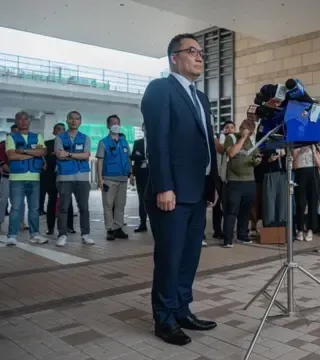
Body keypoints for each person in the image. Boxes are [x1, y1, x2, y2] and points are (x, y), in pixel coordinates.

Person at [141, 33, 219, 346]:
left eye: (201, 52)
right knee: (170, 258)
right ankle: (164, 318)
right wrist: (164, 186)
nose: (200, 57)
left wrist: (211, 184)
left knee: (189, 257)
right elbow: (157, 142)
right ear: (174, 57)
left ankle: (182, 309)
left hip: (197, 191)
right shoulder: (160, 89)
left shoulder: (200, 97)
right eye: (192, 51)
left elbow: (205, 145)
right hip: (171, 193)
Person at [5, 111, 47, 246]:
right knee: (16, 208)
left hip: (34, 177)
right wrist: (34, 154)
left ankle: (35, 234)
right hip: (17, 178)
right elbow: (11, 156)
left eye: (26, 119)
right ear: (16, 121)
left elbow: (43, 152)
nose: (23, 121)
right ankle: (12, 235)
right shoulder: (11, 138)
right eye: (20, 119)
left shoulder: (37, 137)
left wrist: (23, 151)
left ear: (29, 121)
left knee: (34, 208)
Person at [54, 111, 94, 247]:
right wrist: (77, 154)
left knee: (84, 207)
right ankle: (62, 234)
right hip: (64, 177)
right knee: (63, 208)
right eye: (71, 118)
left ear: (80, 122)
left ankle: (85, 234)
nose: (74, 121)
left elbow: (86, 155)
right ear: (67, 120)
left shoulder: (85, 138)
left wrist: (69, 154)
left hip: (82, 178)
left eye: (77, 119)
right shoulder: (59, 138)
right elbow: (59, 155)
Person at [222, 119, 260, 247]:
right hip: (234, 181)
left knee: (246, 211)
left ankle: (242, 235)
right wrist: (242, 138)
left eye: (250, 133)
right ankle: (228, 239)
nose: (248, 135)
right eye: (246, 131)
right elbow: (231, 153)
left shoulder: (252, 140)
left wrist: (257, 160)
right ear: (241, 128)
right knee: (231, 211)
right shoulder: (232, 137)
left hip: (249, 181)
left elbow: (256, 155)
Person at [96, 115, 131, 241]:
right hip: (109, 178)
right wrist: (100, 179)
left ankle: (118, 227)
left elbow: (128, 158)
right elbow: (99, 161)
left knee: (121, 204)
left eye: (118, 123)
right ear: (108, 126)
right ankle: (110, 229)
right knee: (108, 205)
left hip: (123, 178)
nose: (116, 125)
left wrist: (131, 173)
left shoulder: (124, 142)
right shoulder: (103, 142)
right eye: (113, 123)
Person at [44, 122, 75, 236]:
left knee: (68, 202)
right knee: (52, 201)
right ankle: (50, 228)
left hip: (66, 176)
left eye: (63, 129)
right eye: (58, 129)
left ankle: (69, 226)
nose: (60, 131)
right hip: (52, 176)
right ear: (54, 132)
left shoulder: (69, 143)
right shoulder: (47, 144)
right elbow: (44, 159)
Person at [131, 123, 149, 233]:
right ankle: (143, 223)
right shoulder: (138, 143)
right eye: (145, 127)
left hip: (154, 175)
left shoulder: (157, 141)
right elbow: (133, 157)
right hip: (141, 174)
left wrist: (142, 157)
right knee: (141, 199)